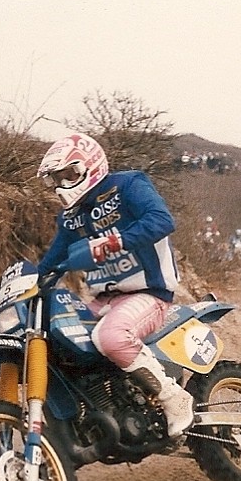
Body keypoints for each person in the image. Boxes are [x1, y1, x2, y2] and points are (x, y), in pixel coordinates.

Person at [32, 132, 193, 437]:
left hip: (148, 293)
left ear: (89, 166)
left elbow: (162, 220)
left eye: (68, 175)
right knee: (61, 342)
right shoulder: (71, 217)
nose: (61, 185)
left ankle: (175, 398)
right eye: (56, 179)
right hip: (103, 299)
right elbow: (51, 260)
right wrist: (24, 283)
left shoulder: (128, 185)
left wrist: (108, 243)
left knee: (112, 337)